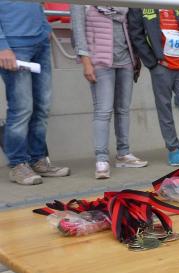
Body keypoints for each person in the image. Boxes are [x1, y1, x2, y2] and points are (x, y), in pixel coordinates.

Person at [128, 8, 179, 165]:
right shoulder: (141, 4)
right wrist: (153, 63)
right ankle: (173, 150)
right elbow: (136, 35)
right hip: (161, 66)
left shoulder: (178, 4)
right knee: (164, 108)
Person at [71, 5, 148, 179]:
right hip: (99, 62)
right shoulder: (82, 4)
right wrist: (86, 63)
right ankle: (101, 159)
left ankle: (123, 153)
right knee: (103, 111)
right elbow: (78, 32)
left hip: (126, 61)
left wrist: (135, 59)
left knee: (123, 110)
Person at [0, 1, 70, 186]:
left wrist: (45, 28)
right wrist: (2, 46)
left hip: (40, 43)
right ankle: (17, 165)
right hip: (14, 46)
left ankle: (37, 160)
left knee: (42, 106)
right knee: (21, 108)